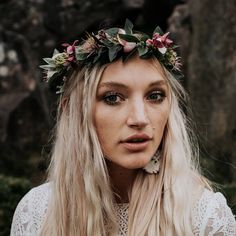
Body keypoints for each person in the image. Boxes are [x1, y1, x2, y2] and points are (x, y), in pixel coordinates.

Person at [10, 19, 236, 236]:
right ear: (73, 111)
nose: (139, 119)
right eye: (112, 97)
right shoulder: (37, 211)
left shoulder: (204, 216)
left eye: (155, 95)